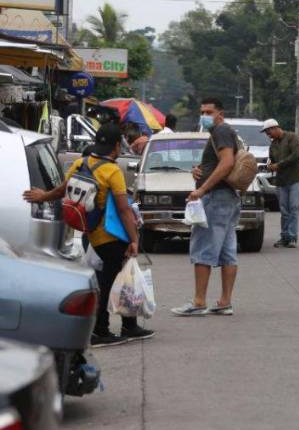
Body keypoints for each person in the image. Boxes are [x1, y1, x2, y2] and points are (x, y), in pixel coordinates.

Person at [23, 123, 153, 347]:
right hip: (112, 235)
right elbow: (123, 209)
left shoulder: (80, 163)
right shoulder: (112, 171)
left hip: (91, 233)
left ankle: (129, 325)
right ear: (115, 146)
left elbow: (61, 190)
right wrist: (134, 239)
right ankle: (100, 330)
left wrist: (42, 196)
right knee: (110, 281)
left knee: (120, 276)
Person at [172, 97, 240, 317]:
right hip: (227, 197)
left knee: (203, 248)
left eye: (209, 112)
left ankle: (199, 301)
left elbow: (227, 162)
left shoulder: (221, 132)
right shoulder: (220, 133)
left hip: (216, 197)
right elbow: (219, 163)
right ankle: (224, 302)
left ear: (220, 113)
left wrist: (202, 189)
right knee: (228, 251)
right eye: (202, 112)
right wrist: (199, 169)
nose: (205, 116)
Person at [263, 119, 299, 248]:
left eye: (268, 132)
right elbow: (272, 160)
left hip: (295, 179)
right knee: (284, 210)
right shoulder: (273, 144)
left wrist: (278, 165)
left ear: (275, 128)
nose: (267, 135)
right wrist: (269, 165)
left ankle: (292, 237)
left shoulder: (292, 137)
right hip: (281, 181)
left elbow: (296, 155)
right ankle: (285, 237)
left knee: (293, 208)